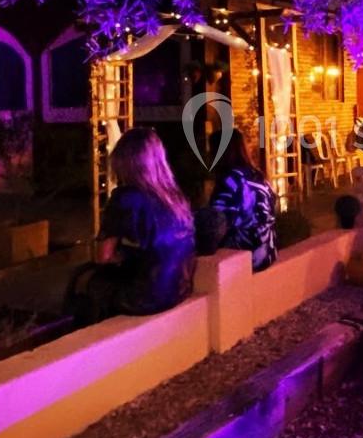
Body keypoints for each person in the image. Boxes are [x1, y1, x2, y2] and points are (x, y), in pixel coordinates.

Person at [65, 128, 195, 324]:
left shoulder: (125, 199)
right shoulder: (175, 197)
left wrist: (121, 255)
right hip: (179, 289)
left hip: (146, 297)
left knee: (85, 281)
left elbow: (103, 256)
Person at [209, 129, 277, 272]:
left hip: (246, 258)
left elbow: (216, 224)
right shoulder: (259, 177)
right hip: (268, 253)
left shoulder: (230, 182)